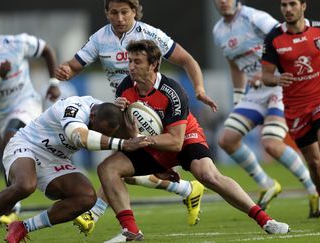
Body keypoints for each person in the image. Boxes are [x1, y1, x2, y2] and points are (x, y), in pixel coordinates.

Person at [98, 39, 289, 242]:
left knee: (207, 175)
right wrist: (122, 114)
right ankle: (131, 232)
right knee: (107, 169)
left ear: (153, 65)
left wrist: (145, 144)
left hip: (184, 137)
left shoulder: (173, 91)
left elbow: (175, 143)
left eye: (137, 62)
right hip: (152, 141)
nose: (131, 67)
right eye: (130, 61)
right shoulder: (125, 88)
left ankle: (265, 220)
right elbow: (132, 131)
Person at [55, 0, 216, 231]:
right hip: (126, 109)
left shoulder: (150, 35)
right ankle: (187, 190)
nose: (119, 18)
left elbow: (187, 60)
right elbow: (74, 65)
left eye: (124, 12)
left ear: (134, 12)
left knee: (117, 165)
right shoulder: (100, 38)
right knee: (123, 169)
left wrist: (199, 89)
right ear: (107, 14)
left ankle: (95, 213)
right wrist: (66, 70)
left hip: (153, 110)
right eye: (113, 12)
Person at [0, 96, 151, 243]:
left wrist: (158, 165)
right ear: (92, 116)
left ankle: (23, 228)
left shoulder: (107, 116)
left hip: (55, 158)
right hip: (28, 144)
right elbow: (81, 138)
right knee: (26, 185)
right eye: (98, 130)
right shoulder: (74, 108)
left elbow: (133, 143)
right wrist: (123, 143)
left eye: (105, 134)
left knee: (86, 197)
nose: (100, 135)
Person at [212, 0, 320, 216]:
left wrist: (268, 73)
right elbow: (234, 64)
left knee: (271, 144)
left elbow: (285, 40)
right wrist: (238, 97)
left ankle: (314, 189)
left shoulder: (254, 17)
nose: (223, 1)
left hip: (280, 85)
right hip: (255, 91)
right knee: (227, 139)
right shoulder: (218, 30)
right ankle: (266, 183)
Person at [261, 0, 320, 221]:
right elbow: (265, 76)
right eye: (284, 5)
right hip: (295, 108)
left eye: (292, 4)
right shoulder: (273, 38)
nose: (287, 9)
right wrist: (276, 79)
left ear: (303, 6)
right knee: (313, 162)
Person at [0, 12, 61, 224]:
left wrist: (53, 82)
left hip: (26, 103)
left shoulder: (17, 42)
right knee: (13, 151)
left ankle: (13, 202)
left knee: (11, 138)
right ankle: (22, 189)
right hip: (2, 112)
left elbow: (46, 50)